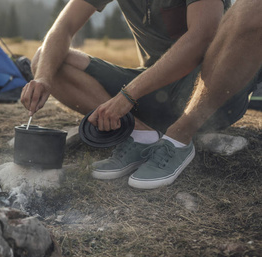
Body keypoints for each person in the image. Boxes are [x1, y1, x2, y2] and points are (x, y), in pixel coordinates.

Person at [20, 0, 261, 189]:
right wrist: (42, 77)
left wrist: (128, 95)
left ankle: (180, 137)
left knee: (254, 6)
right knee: (46, 60)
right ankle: (140, 134)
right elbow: (63, 27)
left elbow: (202, 37)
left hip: (215, 92)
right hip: (154, 90)